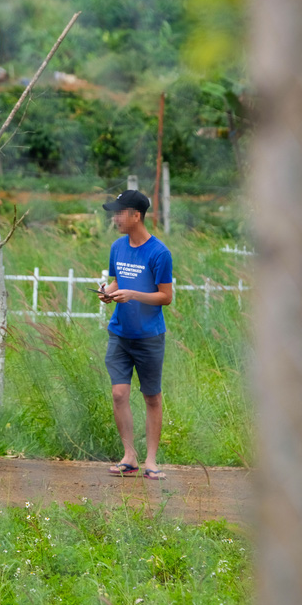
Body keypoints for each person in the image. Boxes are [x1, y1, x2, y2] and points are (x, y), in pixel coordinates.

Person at [98, 190, 173, 480]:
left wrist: (134, 295)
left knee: (151, 397)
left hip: (149, 336)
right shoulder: (117, 247)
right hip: (120, 332)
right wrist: (110, 292)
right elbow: (118, 280)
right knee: (119, 393)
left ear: (136, 216)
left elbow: (165, 297)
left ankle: (151, 461)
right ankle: (129, 456)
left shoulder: (159, 253)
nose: (115, 218)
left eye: (119, 212)